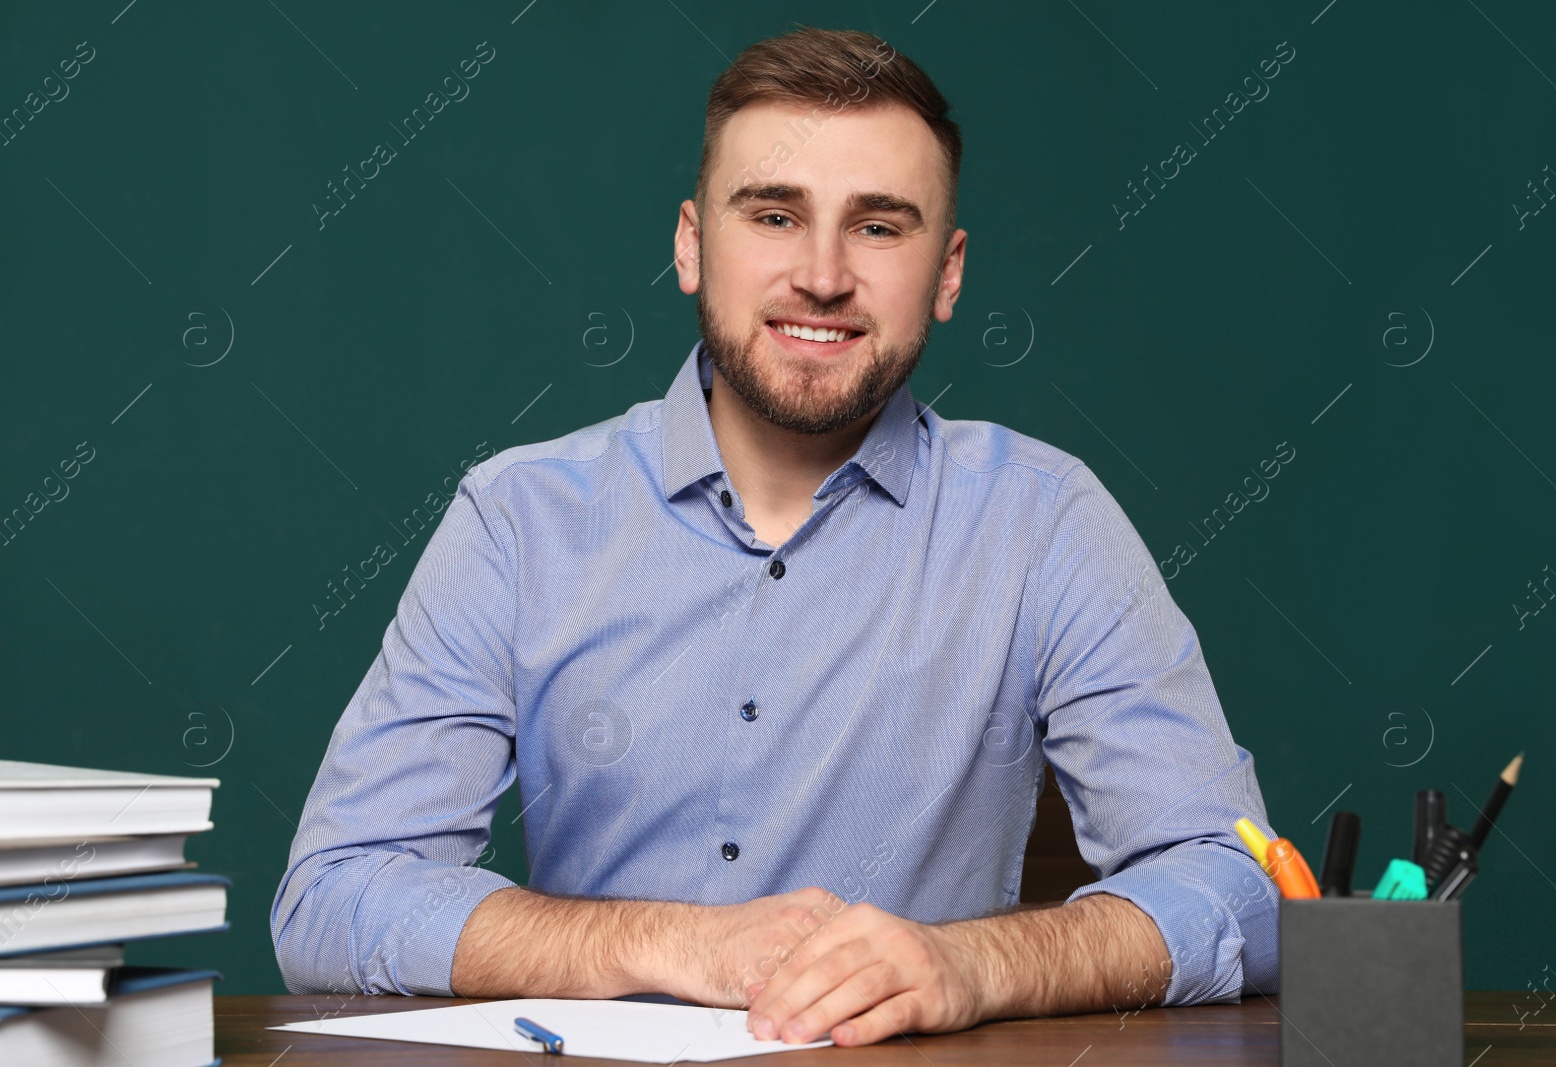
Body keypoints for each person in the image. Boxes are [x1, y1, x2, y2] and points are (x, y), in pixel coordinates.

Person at [271, 25, 1279, 1048]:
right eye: (773, 214)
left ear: (947, 272)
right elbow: (334, 897)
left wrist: (974, 961)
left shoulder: (1044, 520)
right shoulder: (517, 519)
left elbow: (1241, 884)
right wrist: (671, 942)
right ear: (689, 244)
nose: (822, 274)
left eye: (879, 227)